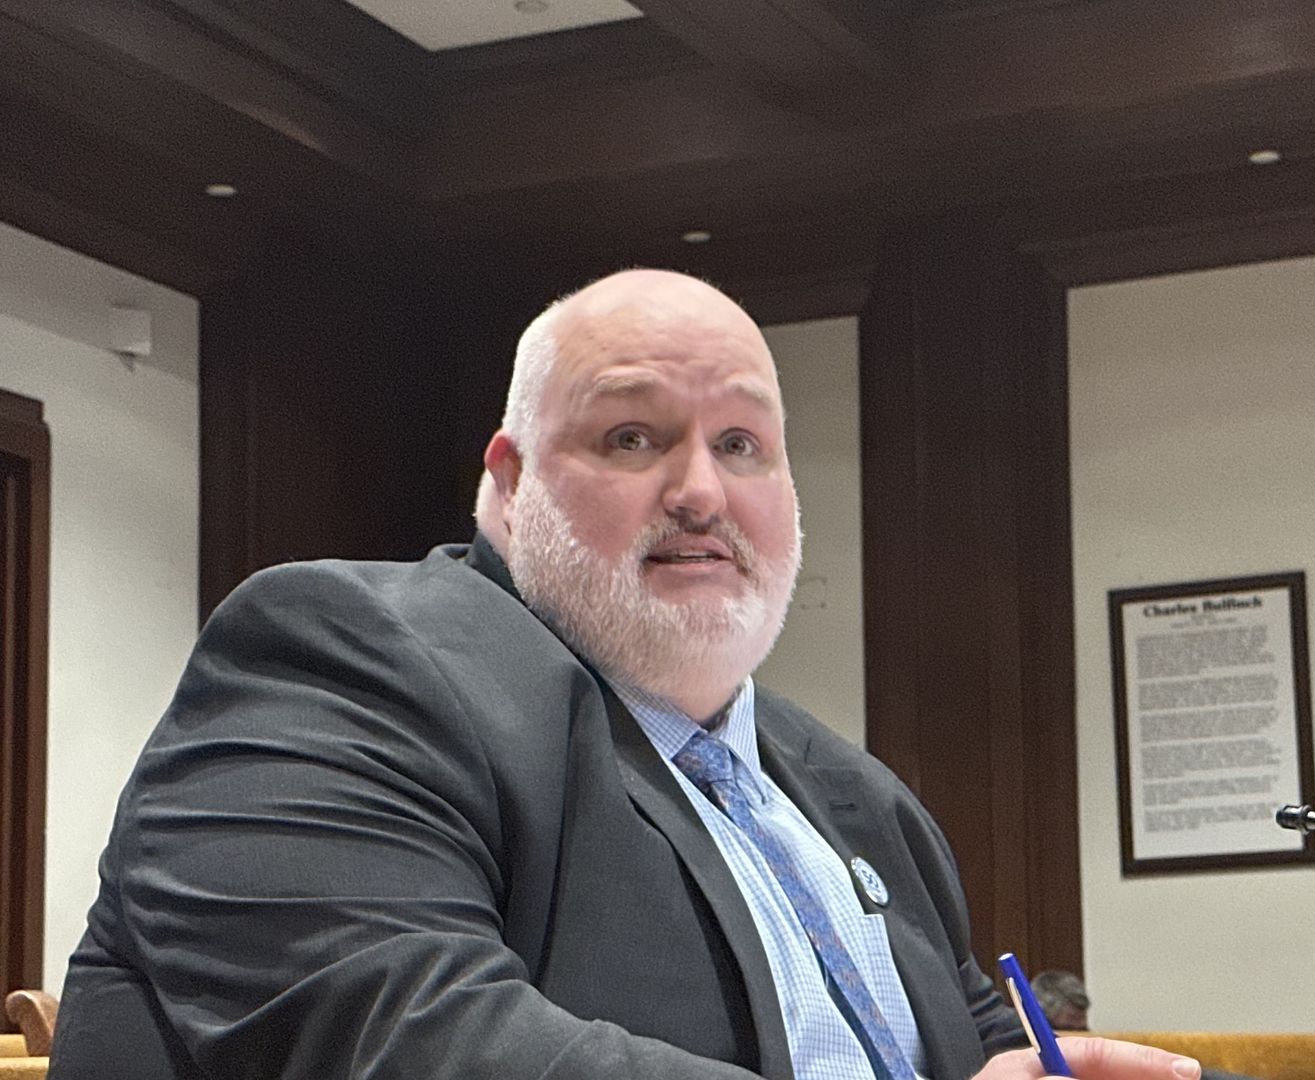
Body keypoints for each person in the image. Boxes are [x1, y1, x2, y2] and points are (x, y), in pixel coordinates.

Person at [49, 270, 1203, 1080]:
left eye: (742, 445)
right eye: (632, 439)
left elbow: (987, 1047)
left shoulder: (856, 798)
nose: (701, 491)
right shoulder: (332, 661)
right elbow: (422, 1048)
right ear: (508, 485)